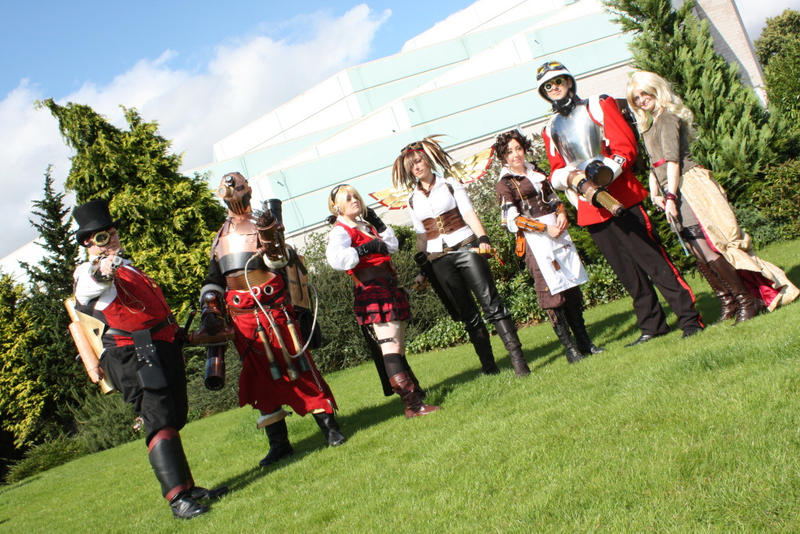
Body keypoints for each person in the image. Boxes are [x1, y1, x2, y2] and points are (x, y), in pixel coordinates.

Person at [71, 199, 227, 520]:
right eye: (100, 236)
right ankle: (177, 499)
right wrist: (103, 267)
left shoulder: (127, 266)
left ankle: (188, 487)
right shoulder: (88, 271)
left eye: (111, 233)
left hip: (159, 345)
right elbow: (91, 283)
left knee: (172, 414)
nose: (109, 239)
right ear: (87, 243)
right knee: (158, 418)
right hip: (133, 354)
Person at [536, 60, 704, 345]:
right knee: (628, 274)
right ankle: (652, 325)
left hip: (621, 196)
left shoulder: (597, 105)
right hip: (590, 209)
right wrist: (569, 177)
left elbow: (625, 146)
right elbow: (555, 169)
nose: (555, 89)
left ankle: (689, 318)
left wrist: (603, 173)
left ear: (569, 82)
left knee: (655, 262)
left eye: (558, 82)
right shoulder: (549, 127)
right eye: (548, 86)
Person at [195, 172, 345, 469]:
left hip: (272, 310)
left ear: (247, 190)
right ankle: (279, 444)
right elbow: (214, 278)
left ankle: (330, 429)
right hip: (241, 319)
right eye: (228, 190)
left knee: (297, 366)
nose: (234, 195)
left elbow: (280, 262)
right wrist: (209, 305)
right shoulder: (221, 235)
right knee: (261, 379)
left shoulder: (265, 223)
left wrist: (272, 241)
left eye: (238, 188)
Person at [626, 70, 799, 321]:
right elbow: (656, 164)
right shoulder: (650, 125)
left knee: (706, 244)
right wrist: (656, 194)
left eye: (644, 93)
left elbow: (673, 161)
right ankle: (728, 301)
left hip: (688, 185)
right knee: (693, 247)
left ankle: (747, 300)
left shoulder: (667, 118)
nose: (642, 100)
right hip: (670, 188)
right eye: (636, 98)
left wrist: (672, 197)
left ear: (656, 89)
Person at [392, 136, 531, 376]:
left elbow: (468, 212)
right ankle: (489, 368)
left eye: (419, 160)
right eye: (412, 164)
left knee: (492, 306)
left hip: (466, 247)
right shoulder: (412, 200)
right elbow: (422, 236)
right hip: (439, 260)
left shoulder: (449, 184)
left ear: (428, 159)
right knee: (468, 315)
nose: (417, 166)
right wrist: (422, 269)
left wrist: (484, 239)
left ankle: (519, 362)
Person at [325, 184, 439, 417]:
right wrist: (365, 249)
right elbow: (337, 260)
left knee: (397, 346)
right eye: (348, 198)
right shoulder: (340, 230)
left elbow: (392, 247)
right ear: (337, 207)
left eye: (356, 195)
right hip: (371, 289)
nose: (355, 200)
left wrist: (378, 224)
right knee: (391, 347)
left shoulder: (364, 226)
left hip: (387, 285)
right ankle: (413, 405)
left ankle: (416, 394)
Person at [493, 130, 604, 363]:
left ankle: (585, 342)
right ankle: (570, 348)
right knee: (551, 293)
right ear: (503, 156)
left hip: (558, 233)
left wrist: (562, 213)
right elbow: (513, 221)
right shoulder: (504, 184)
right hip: (535, 241)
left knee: (571, 287)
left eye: (518, 149)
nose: (515, 155)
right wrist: (544, 229)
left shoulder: (537, 172)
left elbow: (554, 198)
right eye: (509, 151)